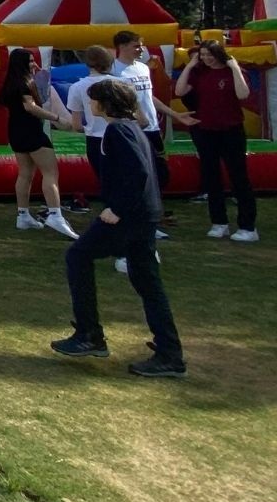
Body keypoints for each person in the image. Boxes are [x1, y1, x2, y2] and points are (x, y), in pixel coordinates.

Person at [50, 78, 186, 377]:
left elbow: (138, 171)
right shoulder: (132, 128)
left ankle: (89, 334)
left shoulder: (117, 131)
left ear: (104, 104)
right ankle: (170, 353)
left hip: (129, 216)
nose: (90, 105)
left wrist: (117, 209)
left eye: (93, 100)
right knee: (148, 282)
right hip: (144, 214)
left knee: (78, 256)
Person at [175, 40, 256, 241]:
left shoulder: (232, 71)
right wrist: (190, 66)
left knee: (239, 177)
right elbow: (179, 91)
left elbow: (243, 94)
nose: (206, 59)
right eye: (202, 55)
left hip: (231, 130)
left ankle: (248, 226)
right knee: (211, 177)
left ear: (219, 54)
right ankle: (219, 222)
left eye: (209, 54)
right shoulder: (199, 72)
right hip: (206, 130)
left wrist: (234, 68)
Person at [0, 49, 78, 237]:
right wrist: (57, 118)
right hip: (31, 132)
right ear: (21, 64)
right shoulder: (24, 84)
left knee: (25, 173)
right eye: (30, 61)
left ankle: (23, 215)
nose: (34, 64)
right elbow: (30, 107)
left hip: (16, 132)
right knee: (50, 173)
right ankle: (55, 215)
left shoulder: (10, 83)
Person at [111, 29, 179, 194]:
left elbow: (148, 97)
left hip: (152, 127)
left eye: (141, 45)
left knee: (160, 170)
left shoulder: (142, 68)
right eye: (136, 46)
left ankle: (155, 202)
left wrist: (174, 114)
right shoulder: (114, 70)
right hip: (132, 128)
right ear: (122, 47)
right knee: (137, 169)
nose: (141, 49)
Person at [64, 45, 116, 179]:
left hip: (95, 138)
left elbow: (76, 125)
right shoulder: (123, 83)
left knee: (104, 179)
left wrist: (87, 129)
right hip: (121, 135)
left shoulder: (77, 87)